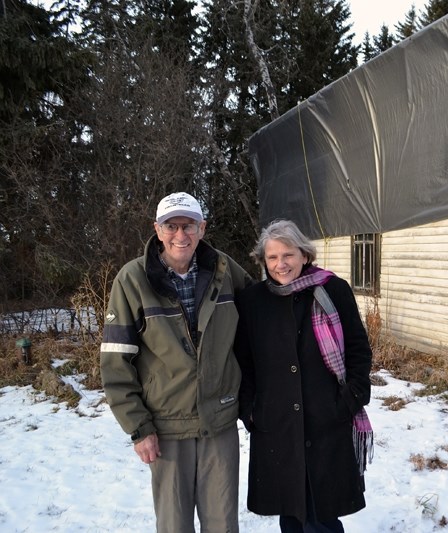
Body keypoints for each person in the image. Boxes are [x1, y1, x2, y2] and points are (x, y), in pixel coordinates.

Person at [100, 191, 253, 532]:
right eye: (172, 226)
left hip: (220, 419)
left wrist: (303, 283)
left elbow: (263, 312)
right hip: (167, 425)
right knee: (174, 523)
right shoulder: (132, 280)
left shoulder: (225, 270)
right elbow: (116, 363)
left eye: (189, 226)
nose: (180, 235)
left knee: (223, 522)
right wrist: (139, 428)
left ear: (202, 228)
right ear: (157, 229)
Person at [234, 219, 373, 533]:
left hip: (327, 418)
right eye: (272, 257)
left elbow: (357, 347)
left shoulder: (332, 290)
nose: (281, 264)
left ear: (304, 255)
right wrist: (250, 410)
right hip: (277, 423)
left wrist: (351, 397)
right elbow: (244, 360)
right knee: (292, 512)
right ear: (263, 260)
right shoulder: (254, 301)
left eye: (288, 255)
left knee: (320, 514)